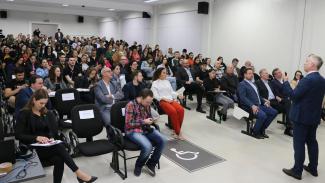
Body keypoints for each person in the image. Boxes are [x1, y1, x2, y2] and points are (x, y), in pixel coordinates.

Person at [15, 89, 97, 183]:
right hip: (32, 147)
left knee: (59, 159)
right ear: (34, 100)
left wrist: (51, 139)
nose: (43, 106)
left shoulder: (47, 113)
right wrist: (36, 138)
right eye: (41, 103)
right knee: (59, 148)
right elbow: (18, 135)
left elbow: (54, 132)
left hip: (47, 146)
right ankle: (79, 173)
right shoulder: (24, 113)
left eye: (45, 103)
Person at [282, 54, 325, 180]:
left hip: (301, 117)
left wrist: (286, 83)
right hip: (313, 117)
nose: (305, 63)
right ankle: (313, 167)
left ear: (312, 65)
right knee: (312, 142)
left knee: (299, 143)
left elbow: (294, 95)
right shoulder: (322, 80)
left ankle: (297, 170)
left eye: (307, 61)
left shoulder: (308, 79)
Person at [125, 89, 167, 177]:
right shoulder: (130, 105)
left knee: (163, 140)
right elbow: (128, 124)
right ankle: (139, 165)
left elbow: (148, 117)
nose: (149, 104)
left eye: (150, 102)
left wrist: (151, 120)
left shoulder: (146, 104)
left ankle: (151, 163)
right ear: (141, 98)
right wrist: (144, 122)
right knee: (148, 146)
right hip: (133, 131)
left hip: (145, 128)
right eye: (147, 102)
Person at [238, 68, 278, 139]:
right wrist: (252, 105)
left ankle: (261, 129)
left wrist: (264, 101)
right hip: (249, 106)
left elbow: (258, 96)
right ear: (245, 75)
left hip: (259, 105)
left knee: (274, 112)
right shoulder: (242, 84)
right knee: (263, 115)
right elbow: (242, 97)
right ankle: (255, 131)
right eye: (249, 73)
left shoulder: (253, 84)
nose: (251, 75)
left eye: (252, 73)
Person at [151, 68, 185, 139]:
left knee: (181, 110)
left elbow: (171, 92)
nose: (166, 74)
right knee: (173, 111)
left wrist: (178, 95)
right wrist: (164, 98)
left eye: (166, 73)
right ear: (159, 74)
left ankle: (176, 130)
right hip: (162, 101)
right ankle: (178, 132)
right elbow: (155, 95)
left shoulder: (167, 82)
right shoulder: (155, 83)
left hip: (170, 100)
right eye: (164, 73)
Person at [270, 68, 292, 135]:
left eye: (280, 72)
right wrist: (284, 99)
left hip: (287, 99)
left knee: (294, 105)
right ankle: (290, 127)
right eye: (279, 72)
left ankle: (291, 126)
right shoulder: (273, 82)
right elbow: (277, 93)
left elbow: (289, 90)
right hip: (280, 100)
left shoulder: (283, 80)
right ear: (275, 75)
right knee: (289, 104)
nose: (281, 73)